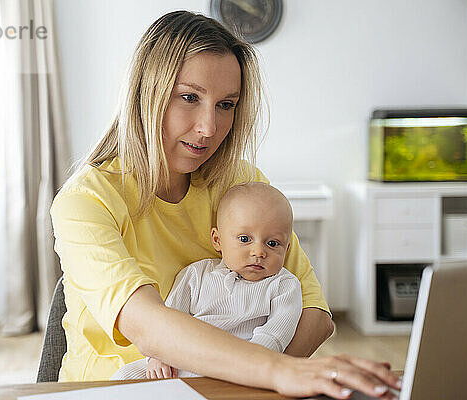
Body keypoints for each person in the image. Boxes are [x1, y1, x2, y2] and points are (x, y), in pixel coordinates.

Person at [50, 10, 401, 399]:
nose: (209, 128)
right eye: (189, 97)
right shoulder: (85, 201)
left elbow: (315, 316)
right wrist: (274, 371)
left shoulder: (242, 183)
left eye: (226, 105)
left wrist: (241, 386)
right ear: (145, 93)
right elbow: (148, 326)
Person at [111, 182, 303, 380]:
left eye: (272, 243)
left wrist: (250, 364)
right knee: (125, 375)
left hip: (243, 367)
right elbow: (169, 319)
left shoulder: (284, 285)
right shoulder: (196, 274)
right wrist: (158, 356)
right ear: (217, 240)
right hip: (183, 358)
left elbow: (275, 334)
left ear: (286, 249)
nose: (259, 252)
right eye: (244, 239)